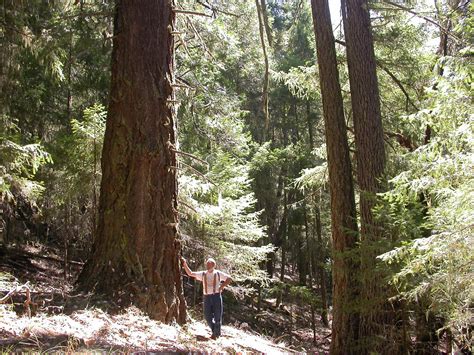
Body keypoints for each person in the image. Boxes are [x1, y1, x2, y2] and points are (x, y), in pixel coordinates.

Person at [181, 257, 232, 339]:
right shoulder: (203, 274)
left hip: (216, 296)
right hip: (207, 297)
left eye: (209, 264)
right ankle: (215, 331)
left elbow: (229, 278)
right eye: (207, 264)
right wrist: (184, 264)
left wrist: (222, 286)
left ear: (213, 265)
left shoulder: (218, 273)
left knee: (217, 316)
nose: (207, 265)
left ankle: (216, 334)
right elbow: (190, 273)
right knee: (207, 316)